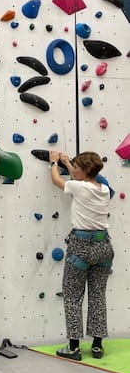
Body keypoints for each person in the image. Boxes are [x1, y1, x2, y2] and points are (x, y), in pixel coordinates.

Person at [49, 150, 114, 361]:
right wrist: (68, 162)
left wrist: (53, 163)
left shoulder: (77, 186)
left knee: (72, 296)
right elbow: (80, 177)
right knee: (97, 296)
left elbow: (57, 180)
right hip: (104, 246)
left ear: (85, 171)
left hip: (81, 246)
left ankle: (74, 348)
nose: (72, 170)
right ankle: (96, 346)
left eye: (76, 167)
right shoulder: (103, 189)